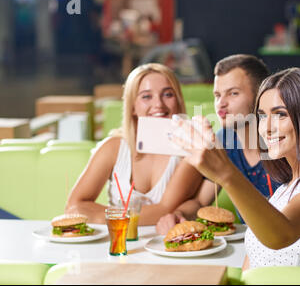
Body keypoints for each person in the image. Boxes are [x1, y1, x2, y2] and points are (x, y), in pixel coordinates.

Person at [169, 67, 300, 273]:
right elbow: (254, 259)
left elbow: (280, 236)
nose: (266, 128)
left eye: (280, 114)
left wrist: (226, 174)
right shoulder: (284, 189)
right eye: (261, 116)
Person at [156, 54, 300, 234]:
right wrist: (180, 214)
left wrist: (299, 229)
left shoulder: (286, 143)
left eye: (233, 93)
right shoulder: (225, 140)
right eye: (217, 95)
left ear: (261, 95)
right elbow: (201, 201)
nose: (221, 103)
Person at [65, 63, 203, 224]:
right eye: (146, 96)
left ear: (178, 101)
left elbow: (165, 210)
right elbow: (74, 207)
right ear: (132, 107)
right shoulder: (113, 147)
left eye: (168, 94)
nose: (158, 104)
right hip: (118, 243)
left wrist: (102, 216)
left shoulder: (191, 151)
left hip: (165, 243)